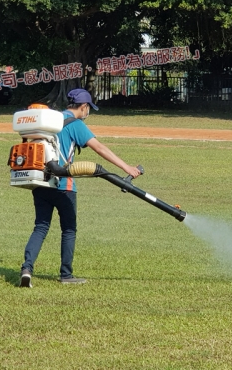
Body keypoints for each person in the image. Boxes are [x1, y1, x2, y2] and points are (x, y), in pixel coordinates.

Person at [20, 88, 141, 287]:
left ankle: (26, 269)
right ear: (83, 107)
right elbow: (100, 148)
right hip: (64, 184)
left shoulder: (50, 120)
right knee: (68, 229)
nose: (88, 113)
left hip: (40, 182)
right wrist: (126, 167)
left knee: (41, 227)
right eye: (88, 109)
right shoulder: (76, 124)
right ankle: (66, 275)